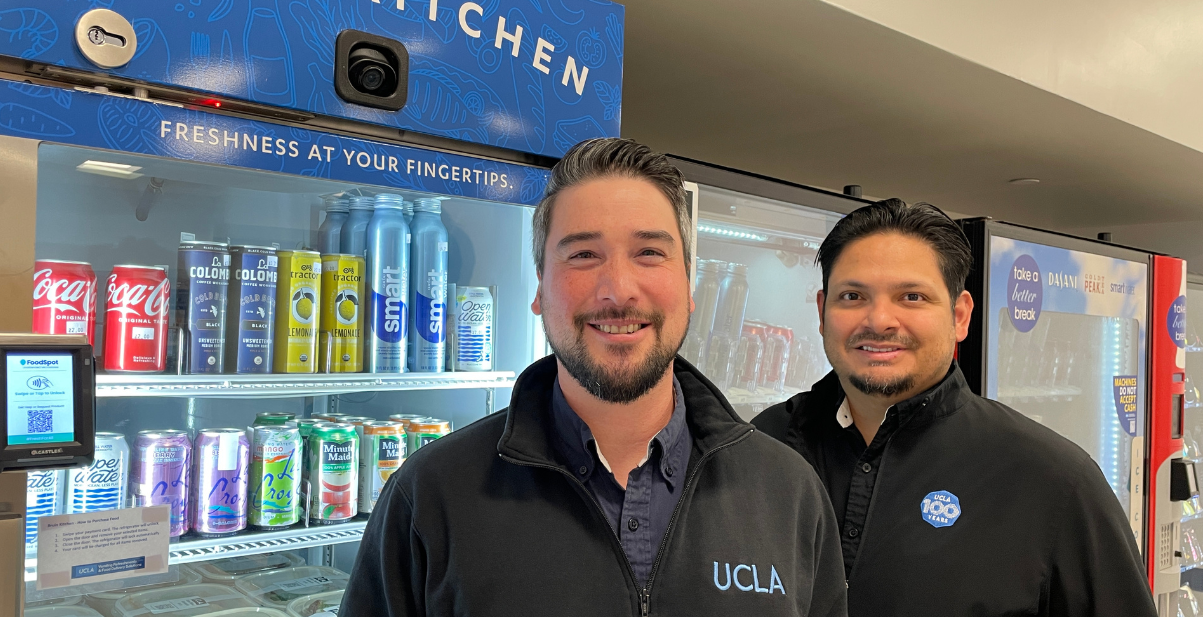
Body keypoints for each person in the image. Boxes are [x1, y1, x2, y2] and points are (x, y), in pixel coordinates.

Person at [343, 139, 847, 616]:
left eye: (650, 252)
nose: (618, 289)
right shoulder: (431, 494)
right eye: (583, 254)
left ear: (688, 286)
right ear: (540, 287)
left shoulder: (789, 492)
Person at [753, 198, 1155, 616]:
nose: (879, 320)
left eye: (912, 296)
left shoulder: (1055, 481)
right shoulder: (758, 448)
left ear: (959, 316)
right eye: (852, 296)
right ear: (822, 312)